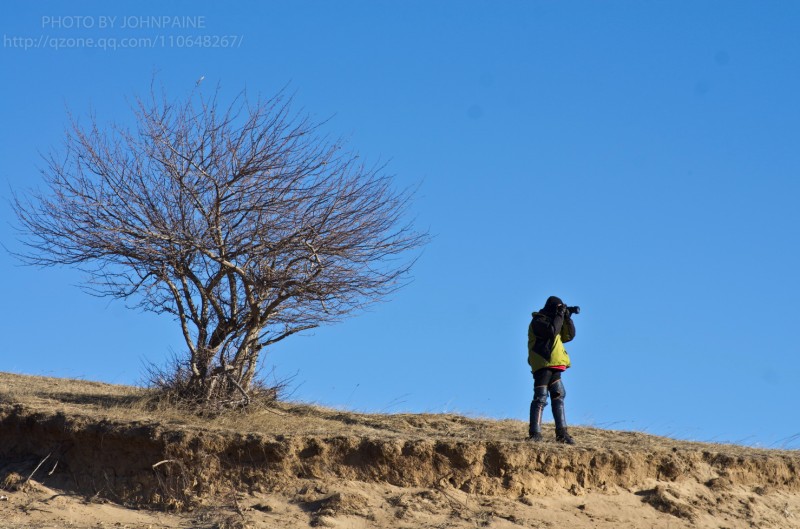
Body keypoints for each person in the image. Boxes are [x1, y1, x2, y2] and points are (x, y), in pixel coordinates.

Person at [527, 296, 577, 444]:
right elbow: (552, 331)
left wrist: (567, 317)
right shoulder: (538, 320)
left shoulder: (555, 319)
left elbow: (569, 335)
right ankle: (535, 434)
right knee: (541, 397)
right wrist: (560, 314)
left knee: (559, 394)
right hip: (543, 362)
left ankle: (562, 434)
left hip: (554, 363)